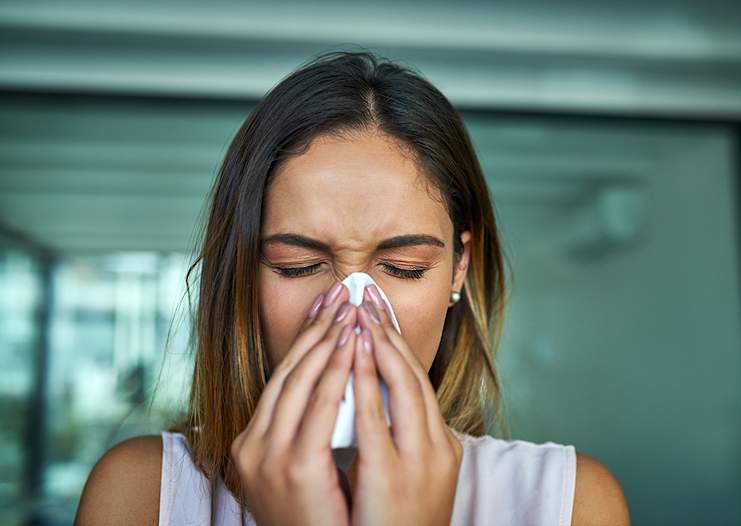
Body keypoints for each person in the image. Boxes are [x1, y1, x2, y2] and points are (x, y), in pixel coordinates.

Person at [75, 50, 630, 525]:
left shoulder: (569, 502)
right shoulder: (142, 493)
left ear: (459, 268)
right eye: (296, 265)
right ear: (243, 274)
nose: (356, 312)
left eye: (406, 267)